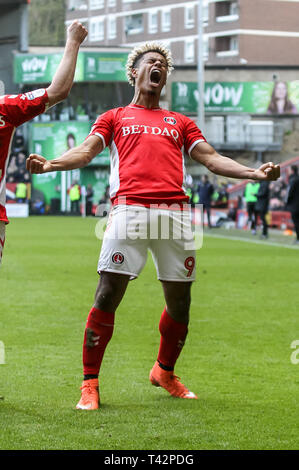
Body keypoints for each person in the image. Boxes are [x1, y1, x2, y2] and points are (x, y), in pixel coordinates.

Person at [26, 42, 280, 410]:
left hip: (175, 214)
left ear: (164, 78)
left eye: (162, 64)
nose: (157, 66)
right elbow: (86, 150)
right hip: (128, 210)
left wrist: (253, 172)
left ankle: (164, 371)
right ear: (135, 73)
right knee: (107, 294)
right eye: (150, 62)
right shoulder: (114, 117)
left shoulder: (180, 122)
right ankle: (90, 384)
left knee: (181, 304)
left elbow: (210, 158)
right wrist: (52, 164)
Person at [286, 165, 299, 244]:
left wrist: (287, 203)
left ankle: (298, 238)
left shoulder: (292, 180)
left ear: (292, 171)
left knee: (296, 222)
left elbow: (289, 193)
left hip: (295, 205)